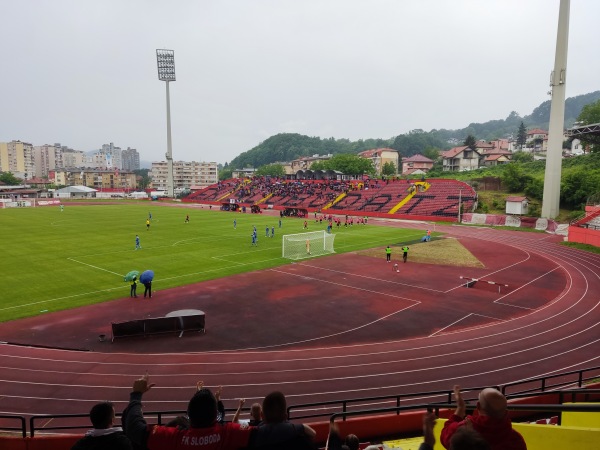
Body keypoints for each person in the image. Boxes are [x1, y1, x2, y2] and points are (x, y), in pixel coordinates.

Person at [122, 373, 313, 450]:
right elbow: (270, 432)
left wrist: (136, 395)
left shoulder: (174, 438)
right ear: (216, 415)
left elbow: (134, 428)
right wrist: (300, 427)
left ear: (189, 414)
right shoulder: (228, 433)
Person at [440, 385, 526, 450]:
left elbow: (445, 435)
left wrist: (460, 408)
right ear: (506, 412)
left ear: (478, 406)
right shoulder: (516, 440)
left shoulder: (464, 431)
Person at [251, 391, 316, 449]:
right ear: (286, 416)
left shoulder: (253, 437)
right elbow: (313, 434)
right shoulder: (300, 439)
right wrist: (302, 427)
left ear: (262, 415)